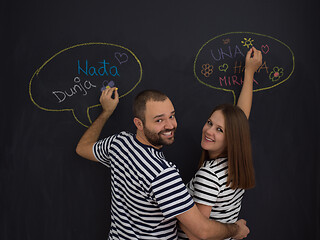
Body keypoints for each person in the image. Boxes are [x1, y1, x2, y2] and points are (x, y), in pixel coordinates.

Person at [76, 88, 250, 239]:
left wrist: (106, 112)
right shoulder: (163, 174)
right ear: (139, 124)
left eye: (172, 116)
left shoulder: (119, 144)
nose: (170, 125)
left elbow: (82, 148)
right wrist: (236, 229)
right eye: (159, 120)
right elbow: (201, 231)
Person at [177, 47, 262, 240]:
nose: (208, 131)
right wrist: (249, 73)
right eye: (209, 123)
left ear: (232, 137)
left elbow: (196, 234)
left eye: (219, 129)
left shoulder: (209, 175)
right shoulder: (234, 164)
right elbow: (240, 118)